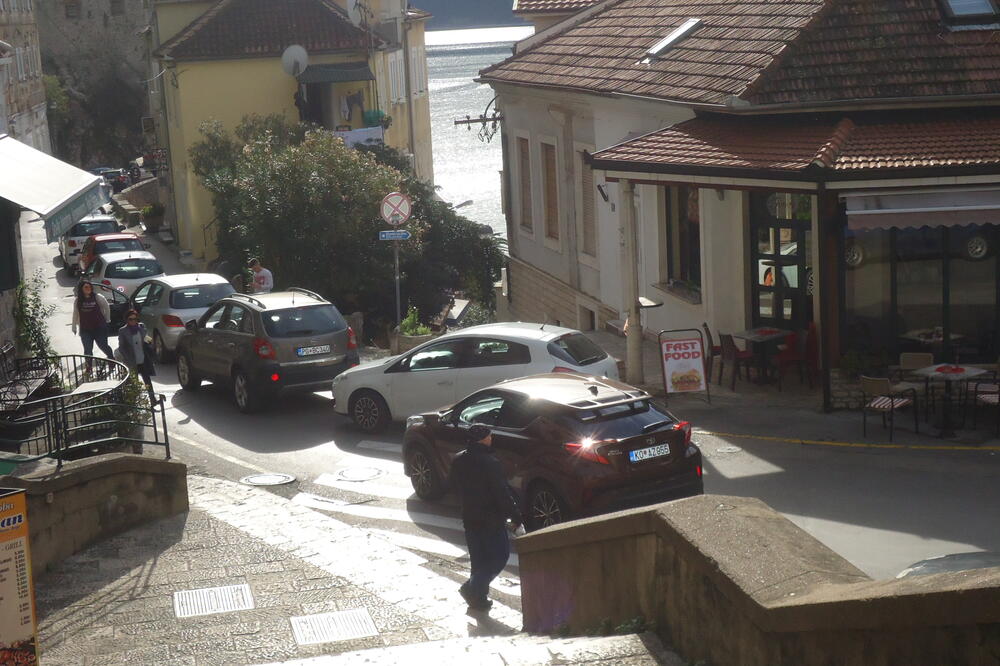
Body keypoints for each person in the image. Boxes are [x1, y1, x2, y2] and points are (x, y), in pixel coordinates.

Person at [448, 424, 523, 612]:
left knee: (479, 560)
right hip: (491, 519)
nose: (491, 438)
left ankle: (478, 599)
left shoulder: (458, 460)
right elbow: (501, 493)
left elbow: (453, 486)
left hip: (469, 517)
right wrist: (515, 516)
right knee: (499, 557)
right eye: (489, 436)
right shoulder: (490, 462)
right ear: (483, 439)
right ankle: (471, 588)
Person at [72, 280, 114, 372]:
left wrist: (107, 319)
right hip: (85, 329)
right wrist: (74, 326)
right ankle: (89, 367)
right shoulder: (78, 300)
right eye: (86, 287)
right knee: (87, 349)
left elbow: (106, 307)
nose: (88, 289)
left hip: (99, 327)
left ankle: (111, 360)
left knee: (103, 345)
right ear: (81, 289)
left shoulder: (98, 297)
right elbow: (75, 313)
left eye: (89, 287)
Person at [116, 309, 157, 403]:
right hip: (132, 360)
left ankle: (153, 399)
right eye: (131, 319)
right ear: (127, 320)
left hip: (143, 359)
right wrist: (128, 358)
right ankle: (134, 403)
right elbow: (121, 347)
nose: (133, 321)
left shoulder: (141, 327)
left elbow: (148, 340)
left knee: (148, 381)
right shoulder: (123, 331)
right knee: (134, 383)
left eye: (135, 319)